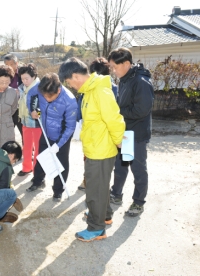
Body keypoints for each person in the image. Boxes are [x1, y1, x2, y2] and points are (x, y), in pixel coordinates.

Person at [58, 57, 125, 242]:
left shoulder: (100, 91)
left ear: (75, 76)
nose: (71, 86)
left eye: (69, 82)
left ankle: (96, 228)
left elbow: (115, 119)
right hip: (95, 147)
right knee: (100, 187)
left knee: (94, 190)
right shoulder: (89, 91)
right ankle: (104, 215)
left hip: (101, 150)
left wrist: (121, 143)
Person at [108, 47, 154, 217]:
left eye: (115, 66)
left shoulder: (141, 82)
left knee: (138, 169)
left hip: (138, 134)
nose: (113, 70)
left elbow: (142, 110)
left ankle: (138, 202)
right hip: (126, 132)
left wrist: (119, 111)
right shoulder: (125, 79)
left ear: (126, 63)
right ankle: (116, 194)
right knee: (121, 166)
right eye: (111, 67)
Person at [26, 73, 78, 202]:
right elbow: (31, 99)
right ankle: (38, 181)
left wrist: (58, 145)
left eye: (51, 96)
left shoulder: (69, 100)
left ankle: (58, 190)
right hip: (46, 131)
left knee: (61, 162)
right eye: (45, 96)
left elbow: (70, 127)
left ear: (58, 90)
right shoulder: (39, 88)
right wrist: (34, 111)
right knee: (41, 158)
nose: (47, 99)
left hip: (62, 136)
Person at [77, 57, 118, 191]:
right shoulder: (88, 89)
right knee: (90, 161)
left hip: (108, 134)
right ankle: (88, 180)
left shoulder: (109, 89)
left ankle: (111, 192)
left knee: (107, 166)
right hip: (93, 133)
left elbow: (114, 117)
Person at [17, 63, 41, 177]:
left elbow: (45, 105)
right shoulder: (22, 88)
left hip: (37, 124)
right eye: (22, 78)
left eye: (27, 78)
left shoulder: (40, 87)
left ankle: (37, 172)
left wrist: (38, 113)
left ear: (34, 76)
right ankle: (26, 168)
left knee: (37, 149)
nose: (24, 81)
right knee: (26, 146)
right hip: (25, 122)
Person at [3, 54, 23, 142]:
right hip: (7, 110)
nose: (9, 67)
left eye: (11, 64)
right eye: (7, 65)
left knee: (25, 133)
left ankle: (29, 154)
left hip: (21, 110)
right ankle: (7, 154)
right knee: (7, 135)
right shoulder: (3, 76)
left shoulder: (23, 75)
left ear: (16, 64)